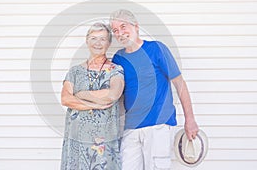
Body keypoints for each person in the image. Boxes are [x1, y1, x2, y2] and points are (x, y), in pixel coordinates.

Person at [110, 9, 199, 170]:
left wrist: (190, 119)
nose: (120, 33)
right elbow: (115, 93)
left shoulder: (156, 49)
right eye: (115, 30)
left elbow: (179, 84)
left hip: (158, 125)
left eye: (123, 27)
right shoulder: (118, 58)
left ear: (136, 26)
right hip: (131, 127)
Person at [60, 22, 125, 170]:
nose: (98, 43)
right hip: (77, 140)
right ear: (87, 41)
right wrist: (96, 104)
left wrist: (81, 95)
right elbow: (65, 99)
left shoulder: (116, 70)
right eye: (94, 38)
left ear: (109, 43)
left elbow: (112, 94)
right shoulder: (75, 71)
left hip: (103, 141)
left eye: (102, 39)